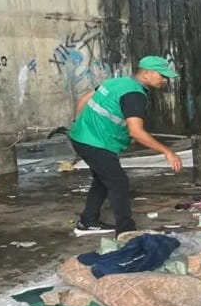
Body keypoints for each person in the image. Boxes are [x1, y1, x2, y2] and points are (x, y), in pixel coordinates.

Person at [69, 56, 183, 236]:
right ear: (146, 73)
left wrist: (78, 124)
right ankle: (126, 232)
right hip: (95, 143)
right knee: (118, 182)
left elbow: (85, 99)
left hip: (81, 136)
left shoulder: (117, 82)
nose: (165, 80)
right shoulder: (135, 95)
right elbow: (136, 132)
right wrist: (167, 151)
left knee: (103, 178)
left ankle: (87, 221)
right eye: (162, 75)